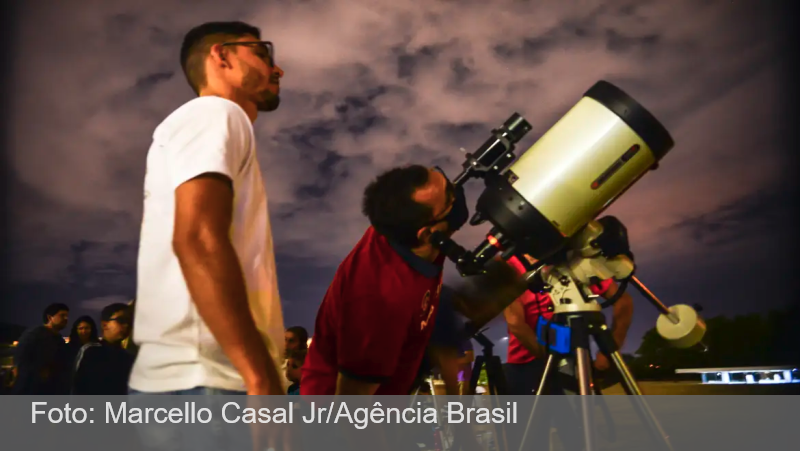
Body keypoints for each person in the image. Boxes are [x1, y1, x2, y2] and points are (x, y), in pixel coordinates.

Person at [130, 20, 287, 399]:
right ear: (222, 56)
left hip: (196, 385)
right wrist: (260, 378)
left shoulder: (209, 121)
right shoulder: (216, 113)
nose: (277, 68)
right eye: (262, 53)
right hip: (209, 384)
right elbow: (198, 239)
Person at [300, 164, 469, 396]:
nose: (457, 191)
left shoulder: (399, 227)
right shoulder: (379, 303)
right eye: (450, 197)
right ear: (429, 234)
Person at [502, 253, 634, 451]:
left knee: (570, 436)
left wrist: (609, 349)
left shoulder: (574, 260)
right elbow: (516, 324)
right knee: (556, 438)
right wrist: (550, 360)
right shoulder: (512, 266)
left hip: (570, 361)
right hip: (529, 364)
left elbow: (622, 300)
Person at [72, 303, 134, 395]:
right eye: (121, 320)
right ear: (104, 324)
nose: (126, 325)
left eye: (130, 321)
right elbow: (76, 387)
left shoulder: (128, 356)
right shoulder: (90, 351)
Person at [12, 303, 70, 394]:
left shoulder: (59, 339)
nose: (66, 319)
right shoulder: (35, 334)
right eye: (62, 315)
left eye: (67, 316)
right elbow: (20, 358)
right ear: (50, 317)